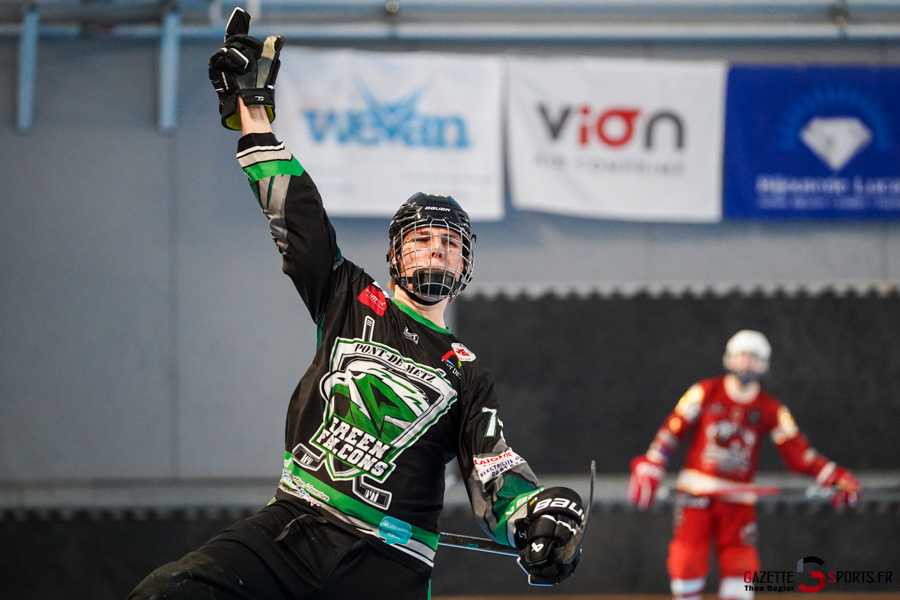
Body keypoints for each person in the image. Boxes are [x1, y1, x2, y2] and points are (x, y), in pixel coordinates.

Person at [127, 8, 583, 600]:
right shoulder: (347, 295)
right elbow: (299, 218)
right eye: (422, 239)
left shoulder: (468, 373)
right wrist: (254, 118)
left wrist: (534, 519)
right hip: (293, 527)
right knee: (167, 594)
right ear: (394, 256)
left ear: (465, 268)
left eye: (450, 245)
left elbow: (493, 474)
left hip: (389, 565)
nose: (436, 251)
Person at [627, 329, 861, 600]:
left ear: (763, 364)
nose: (746, 363)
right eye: (741, 356)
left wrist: (832, 475)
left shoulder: (771, 408)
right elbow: (671, 431)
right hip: (697, 495)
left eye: (753, 357)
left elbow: (798, 452)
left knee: (741, 566)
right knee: (687, 561)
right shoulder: (704, 392)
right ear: (728, 358)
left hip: (738, 500)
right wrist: (651, 465)